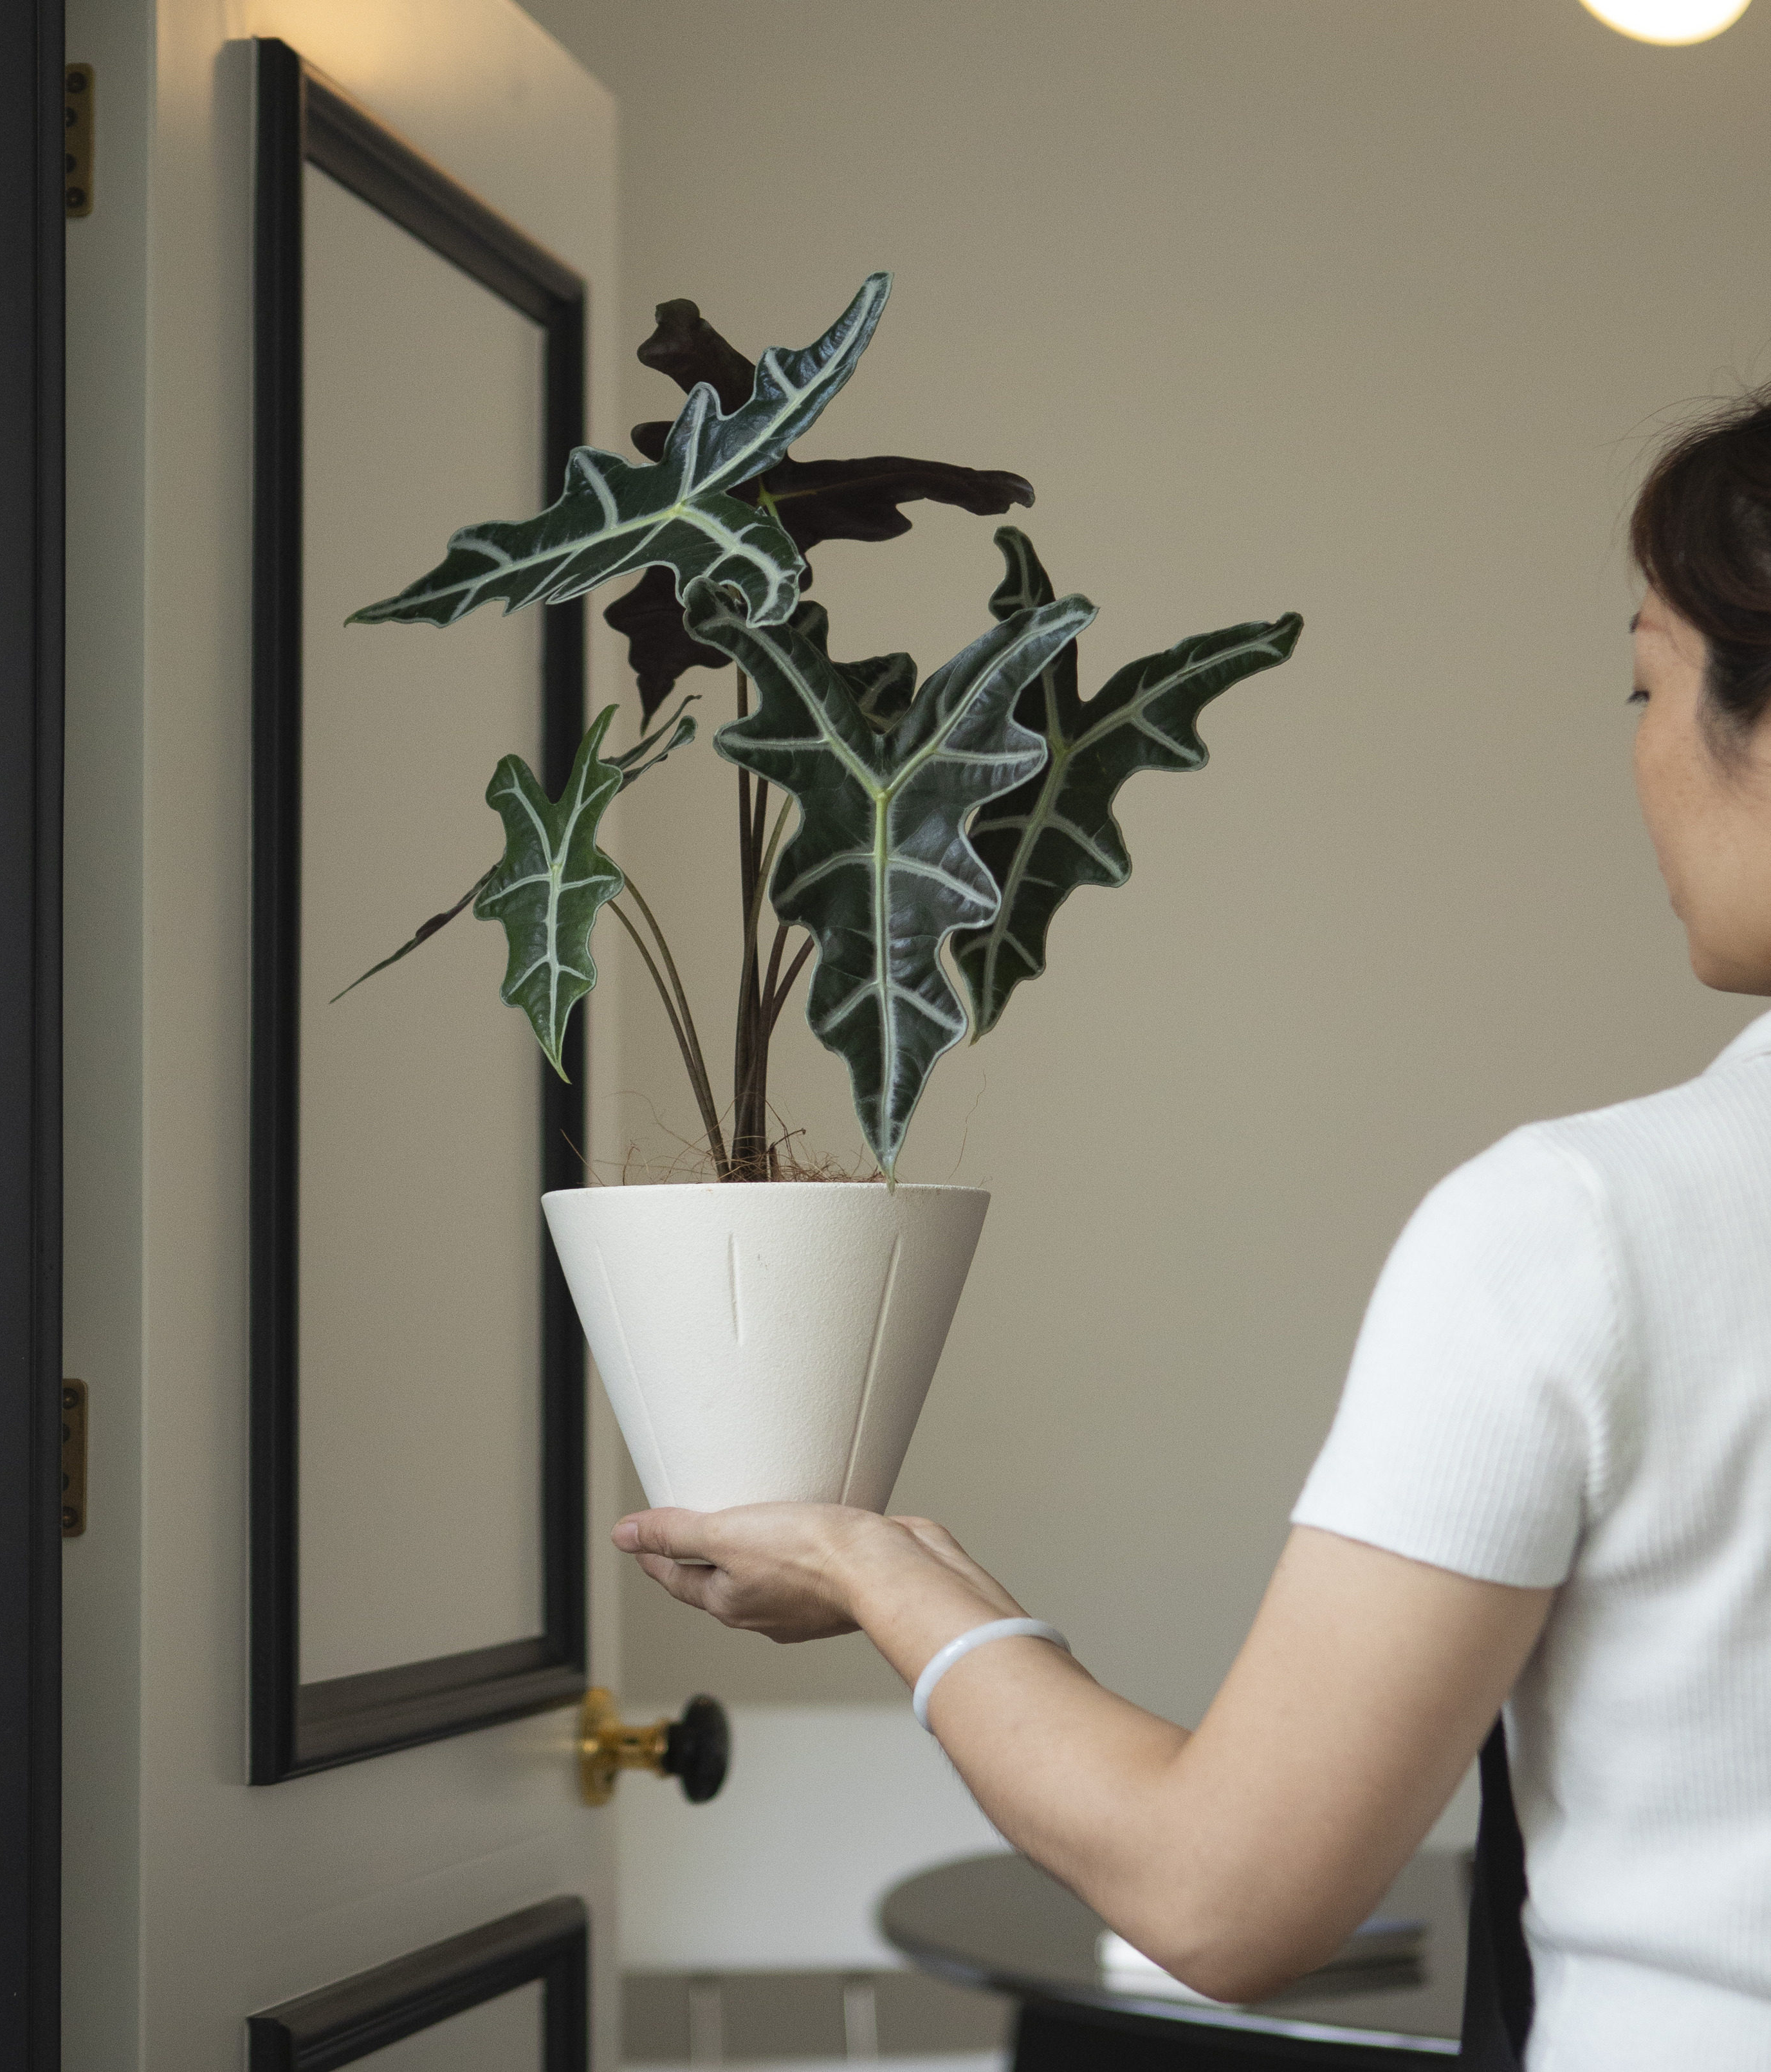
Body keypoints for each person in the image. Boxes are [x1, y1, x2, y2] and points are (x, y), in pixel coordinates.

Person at [614, 393, 1771, 2070]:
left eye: (1643, 679)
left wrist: (881, 1570)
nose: (1636, 747)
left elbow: (1226, 1899)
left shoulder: (1587, 1229)